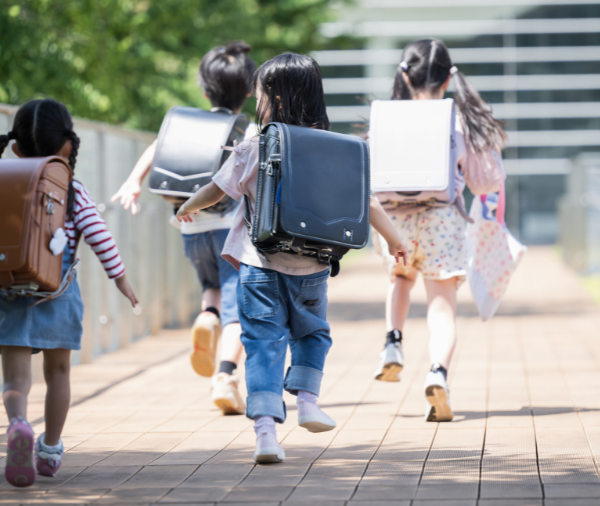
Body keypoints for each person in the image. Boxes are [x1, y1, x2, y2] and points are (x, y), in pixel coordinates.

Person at [175, 53, 408, 464]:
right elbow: (366, 203)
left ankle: (265, 432)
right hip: (315, 266)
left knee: (263, 344)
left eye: (262, 93)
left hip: (260, 265)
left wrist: (186, 206)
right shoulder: (340, 150)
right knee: (313, 334)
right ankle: (308, 400)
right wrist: (395, 239)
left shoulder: (257, 145)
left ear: (274, 99)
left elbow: (217, 189)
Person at [0, 98, 139, 487]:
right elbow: (97, 234)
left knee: (15, 381)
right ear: (67, 146)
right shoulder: (72, 189)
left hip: (12, 292)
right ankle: (50, 449)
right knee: (58, 375)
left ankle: (18, 424)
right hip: (60, 293)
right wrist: (119, 278)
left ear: (16, 148)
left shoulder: (3, 185)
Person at [111, 41, 257, 415]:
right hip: (232, 232)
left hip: (190, 230)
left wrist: (133, 182)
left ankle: (206, 319)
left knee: (211, 289)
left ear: (204, 89)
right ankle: (226, 376)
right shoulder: (248, 129)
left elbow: (157, 147)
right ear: (248, 91)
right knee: (239, 309)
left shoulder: (188, 124)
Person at [373, 38, 506, 423]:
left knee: (400, 281)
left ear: (404, 75)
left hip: (394, 219)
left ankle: (392, 342)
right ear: (449, 79)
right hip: (442, 220)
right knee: (441, 306)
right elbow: (485, 182)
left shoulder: (388, 118)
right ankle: (438, 374)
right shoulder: (459, 121)